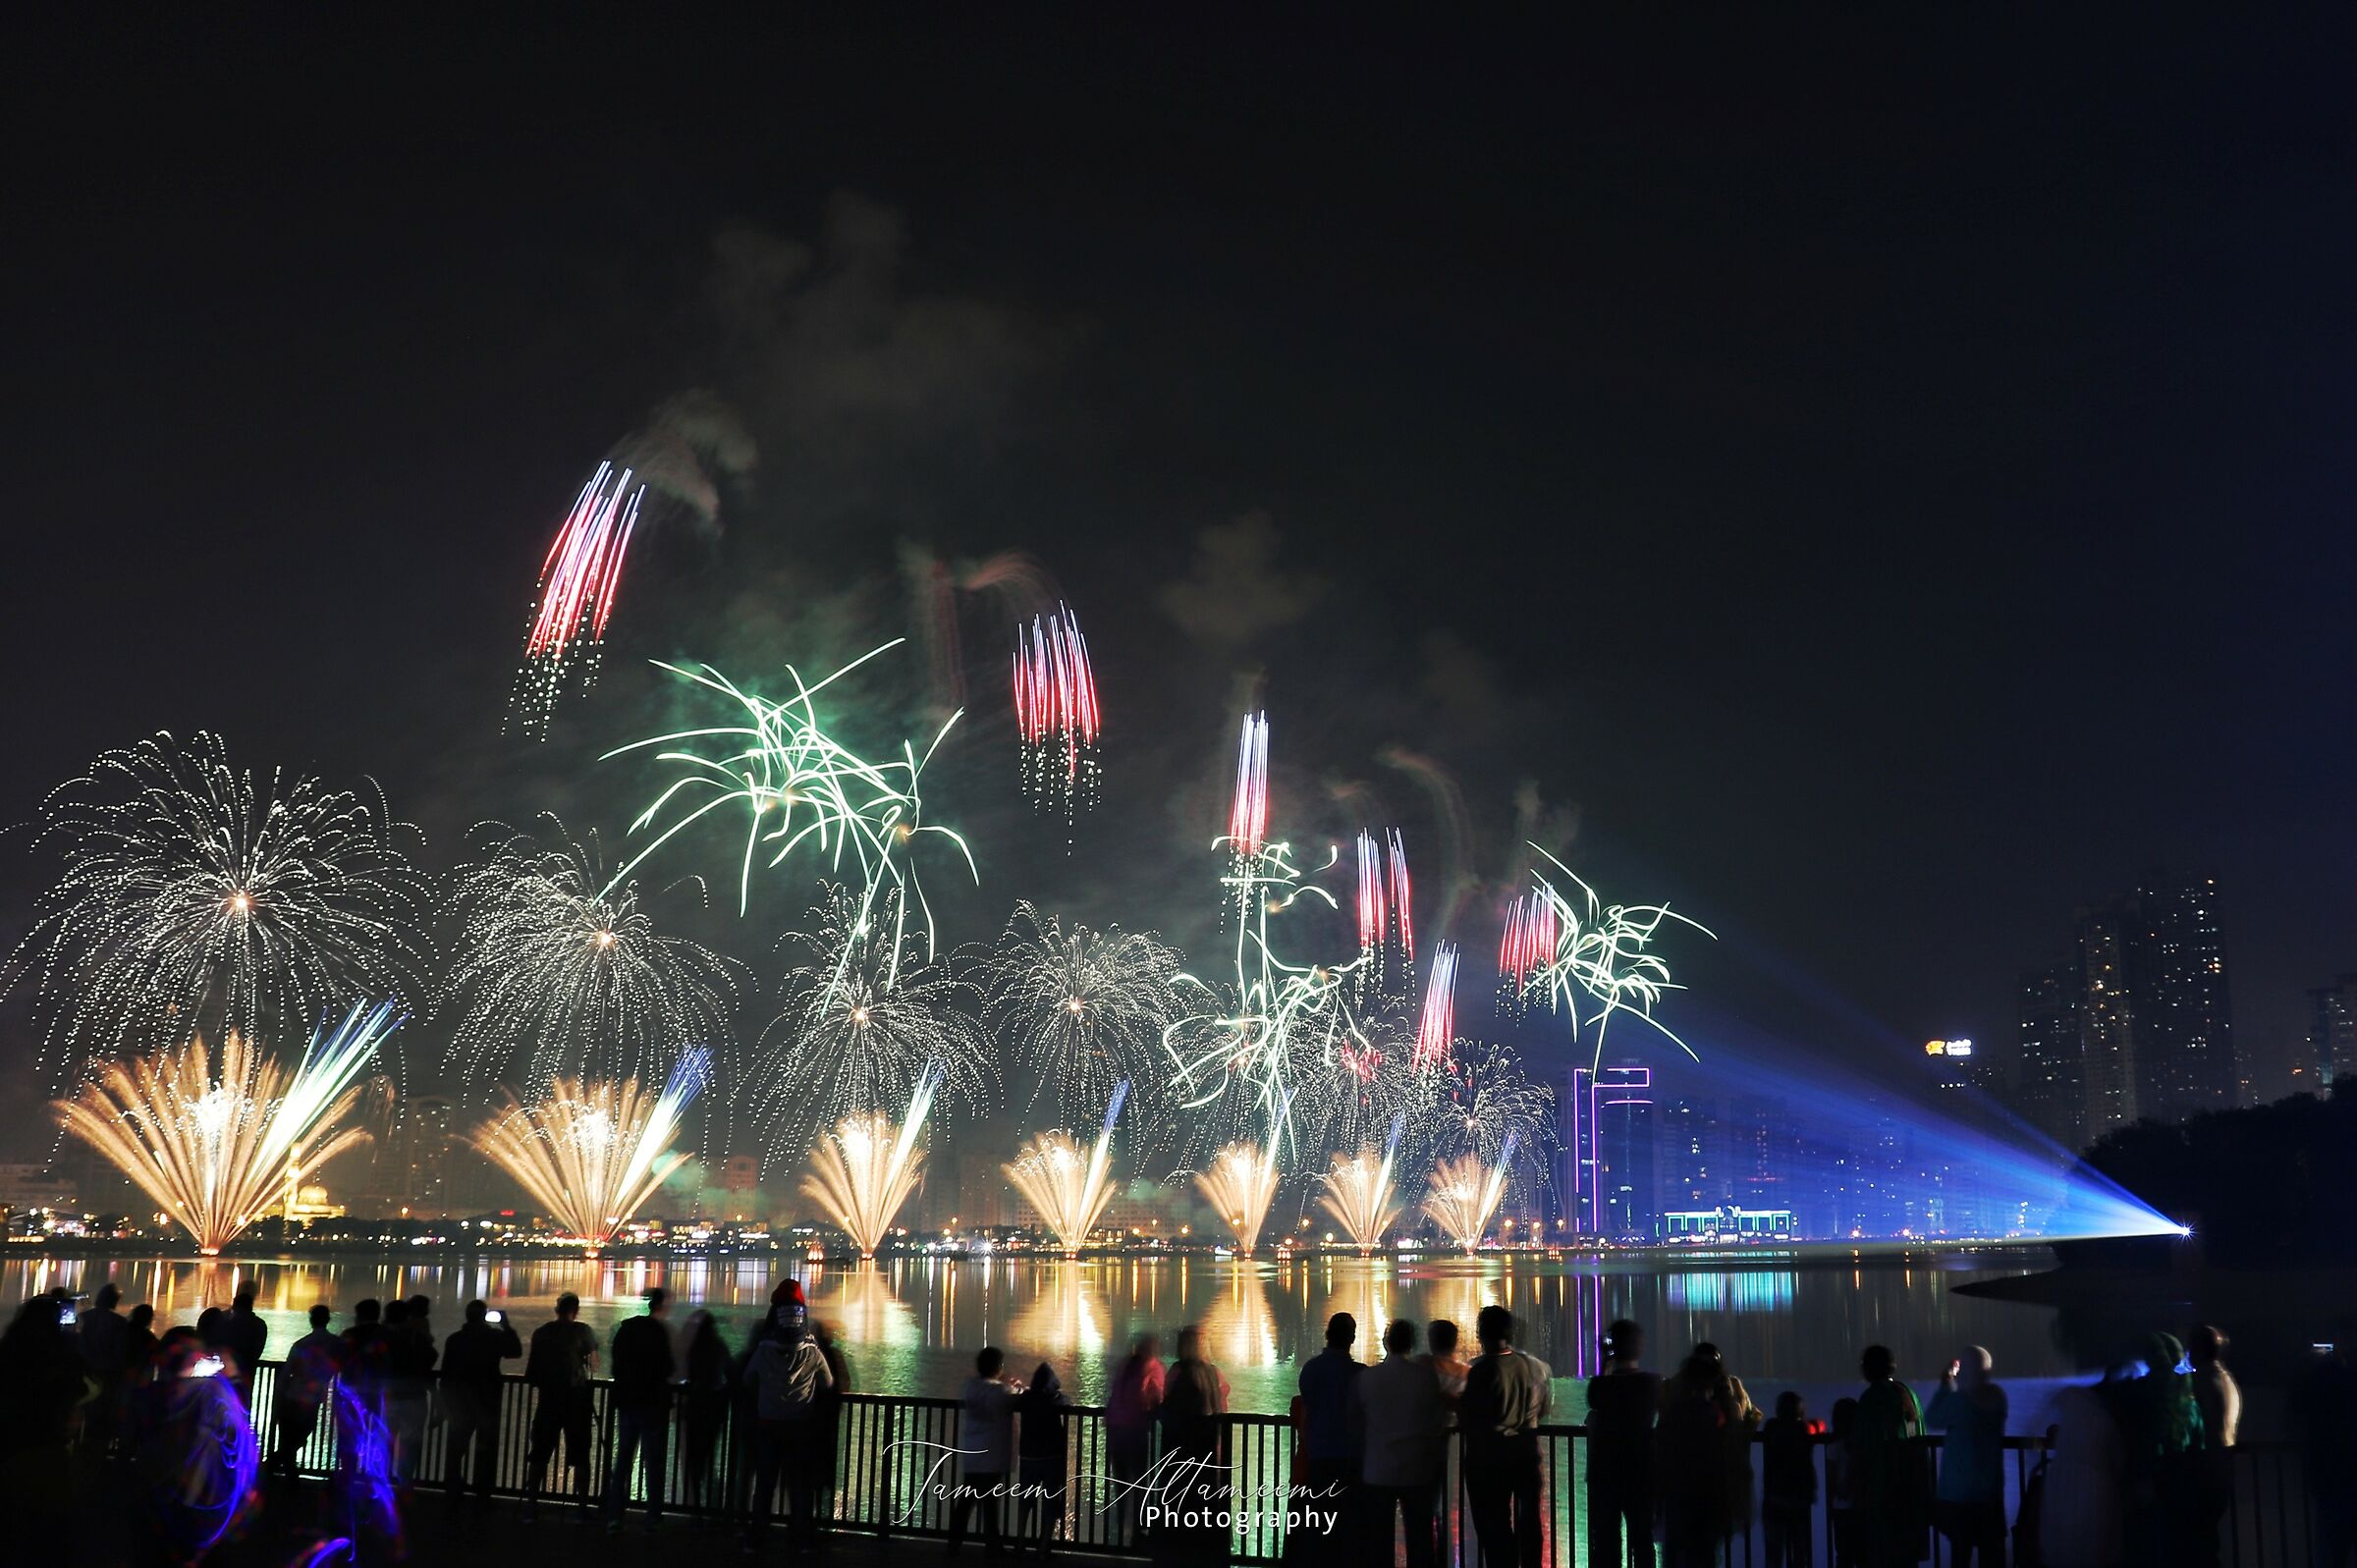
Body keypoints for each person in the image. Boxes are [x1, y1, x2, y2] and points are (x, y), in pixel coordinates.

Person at [1459, 1305, 1552, 1568]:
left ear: (1480, 1333)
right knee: (1530, 1523)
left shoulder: (1480, 1371)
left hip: (1489, 1460)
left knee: (1495, 1528)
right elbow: (1543, 1410)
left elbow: (1469, 1416)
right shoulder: (1537, 1367)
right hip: (1527, 1454)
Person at [741, 1301, 835, 1555]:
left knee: (764, 1486)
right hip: (800, 1427)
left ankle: (755, 1539)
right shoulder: (813, 1353)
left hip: (768, 1426)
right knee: (800, 1486)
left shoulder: (763, 1352)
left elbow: (748, 1379)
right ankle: (802, 1540)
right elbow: (828, 1383)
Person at [1356, 1319, 1445, 1568]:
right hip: (1417, 1469)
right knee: (1420, 1539)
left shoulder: (1367, 1378)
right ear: (1412, 1344)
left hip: (1378, 1469)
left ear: (1386, 1343)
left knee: (1378, 1540)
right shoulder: (1425, 1377)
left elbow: (1356, 1421)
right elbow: (1437, 1420)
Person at [0, 1294, 89, 1535]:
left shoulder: (7, 1352)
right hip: (48, 1447)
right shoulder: (63, 1358)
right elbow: (84, 1389)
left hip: (10, 1445)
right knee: (47, 1527)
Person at [1583, 1318, 1659, 1568]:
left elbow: (1595, 1399)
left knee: (1606, 1543)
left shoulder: (1600, 1386)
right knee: (1643, 1541)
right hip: (1641, 1473)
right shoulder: (1652, 1384)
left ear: (1612, 1347)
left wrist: (1605, 1362)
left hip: (1605, 1475)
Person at [1925, 1347, 2006, 1568]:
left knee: (1960, 1555)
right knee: (1991, 1556)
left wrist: (1946, 1384)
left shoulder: (1960, 1402)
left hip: (1960, 1496)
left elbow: (1932, 1418)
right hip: (1990, 1494)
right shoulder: (1998, 1397)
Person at [1157, 1325, 1232, 1567]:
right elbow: (1223, 1408)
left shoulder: (1177, 1372)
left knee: (1179, 1500)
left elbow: (1166, 1404)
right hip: (1207, 1449)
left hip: (1178, 1449)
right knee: (1206, 1500)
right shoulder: (1214, 1374)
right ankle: (1209, 1549)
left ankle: (1176, 1548)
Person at [522, 1291, 599, 1522]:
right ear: (576, 1310)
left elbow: (532, 1374)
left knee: (539, 1454)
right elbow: (595, 1363)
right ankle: (582, 1507)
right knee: (581, 1454)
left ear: (557, 1310)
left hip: (548, 1401)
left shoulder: (541, 1333)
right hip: (576, 1402)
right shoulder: (583, 1331)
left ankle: (531, 1506)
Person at [606, 1286, 677, 1533]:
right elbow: (668, 1367)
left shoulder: (627, 1329)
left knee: (623, 1460)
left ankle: (614, 1515)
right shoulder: (660, 1332)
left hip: (627, 1401)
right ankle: (653, 1517)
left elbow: (615, 1364)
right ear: (663, 1306)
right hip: (652, 1404)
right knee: (653, 1462)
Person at [1295, 1312, 1365, 1562]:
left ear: (1327, 1335)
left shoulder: (1311, 1369)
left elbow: (1307, 1406)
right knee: (1350, 1526)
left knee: (1321, 1523)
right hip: (1352, 1458)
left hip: (1319, 1456)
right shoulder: (1360, 1374)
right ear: (1352, 1338)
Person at [440, 1299, 521, 1509]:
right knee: (486, 1449)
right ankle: (482, 1493)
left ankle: (453, 1489)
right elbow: (515, 1351)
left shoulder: (455, 1340)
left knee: (456, 1448)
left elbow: (446, 1373)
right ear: (484, 1316)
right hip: (487, 1401)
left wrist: (444, 1402)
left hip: (460, 1403)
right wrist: (506, 1326)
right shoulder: (494, 1337)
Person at [1656, 1349, 1732, 1568]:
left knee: (1674, 1554)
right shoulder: (1716, 1417)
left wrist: (1658, 1500)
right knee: (1704, 1555)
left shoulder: (1673, 1413)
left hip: (1677, 1498)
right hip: (1707, 1500)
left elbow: (1662, 1453)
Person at [1852, 1344, 1927, 1568]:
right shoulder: (1908, 1393)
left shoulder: (1872, 1398)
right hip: (1912, 1487)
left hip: (1884, 1489)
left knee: (1883, 1553)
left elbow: (1864, 1444)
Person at [2290, 1323, 2357, 1568]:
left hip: (2331, 1479)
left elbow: (2296, 1413)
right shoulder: (2342, 1378)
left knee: (2331, 1550)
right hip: (2339, 1476)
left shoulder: (2322, 1378)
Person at [950, 1345, 1021, 1556]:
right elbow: (1016, 1399)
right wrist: (1017, 1387)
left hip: (973, 1453)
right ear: (998, 1367)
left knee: (966, 1501)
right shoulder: (998, 1392)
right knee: (990, 1504)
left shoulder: (970, 1388)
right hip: (992, 1456)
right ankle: (993, 1545)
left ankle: (954, 1542)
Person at [2186, 1325, 2238, 1568]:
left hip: (2203, 1474)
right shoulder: (2227, 1380)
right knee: (2207, 1542)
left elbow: (2193, 1427)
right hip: (2222, 1472)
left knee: (2199, 1546)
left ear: (2197, 1349)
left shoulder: (2200, 1382)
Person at [274, 1304, 345, 1484]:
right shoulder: (336, 1344)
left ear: (311, 1321)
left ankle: (276, 1474)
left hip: (292, 1396)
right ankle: (282, 1476)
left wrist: (278, 1400)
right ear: (328, 1320)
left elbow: (285, 1374)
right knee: (298, 1438)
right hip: (312, 1400)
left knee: (288, 1440)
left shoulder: (301, 1344)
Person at [1106, 1332, 1164, 1545]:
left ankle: (1119, 1532)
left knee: (1121, 1486)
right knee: (1140, 1485)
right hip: (1135, 1429)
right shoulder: (1152, 1367)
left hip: (1115, 1430)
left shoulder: (1125, 1365)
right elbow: (1157, 1397)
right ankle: (1138, 1533)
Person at [679, 1310, 733, 1512]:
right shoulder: (719, 1346)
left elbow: (686, 1374)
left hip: (694, 1409)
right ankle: (713, 1505)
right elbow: (731, 1372)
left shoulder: (694, 1348)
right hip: (714, 1410)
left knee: (694, 1459)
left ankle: (694, 1505)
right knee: (709, 1457)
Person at [1016, 1361, 1072, 1553]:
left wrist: (1022, 1390)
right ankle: (1043, 1547)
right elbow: (1067, 1401)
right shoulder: (1055, 1399)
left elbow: (1015, 1400)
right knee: (1050, 1502)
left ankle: (1020, 1542)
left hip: (1028, 1456)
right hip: (1051, 1457)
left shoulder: (1026, 1398)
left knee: (1025, 1500)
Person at [382, 1295, 438, 1481]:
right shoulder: (415, 1336)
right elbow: (430, 1357)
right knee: (411, 1443)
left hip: (388, 1396)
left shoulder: (381, 1336)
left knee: (386, 1440)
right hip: (414, 1396)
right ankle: (405, 1481)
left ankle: (384, 1481)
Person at [1761, 1391, 1818, 1568]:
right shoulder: (1802, 1430)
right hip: (1798, 1499)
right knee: (1799, 1553)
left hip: (1774, 1498)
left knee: (1774, 1554)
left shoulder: (1771, 1428)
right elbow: (1816, 1428)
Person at [77, 1282, 128, 1456]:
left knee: (85, 1409)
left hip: (85, 1371)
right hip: (108, 1373)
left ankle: (81, 1445)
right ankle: (100, 1449)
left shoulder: (83, 1317)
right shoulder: (119, 1322)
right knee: (104, 1412)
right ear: (114, 1301)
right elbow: (120, 1351)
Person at [811, 1318, 850, 1523]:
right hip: (830, 1418)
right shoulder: (835, 1355)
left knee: (808, 1466)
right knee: (828, 1465)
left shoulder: (810, 1354)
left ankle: (806, 1518)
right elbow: (845, 1382)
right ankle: (824, 1519)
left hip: (808, 1419)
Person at [1825, 1398, 1862, 1568]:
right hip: (1861, 1504)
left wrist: (1831, 1500)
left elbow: (1831, 1477)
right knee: (1862, 1553)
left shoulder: (1834, 1446)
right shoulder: (1861, 1444)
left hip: (1841, 1506)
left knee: (1844, 1554)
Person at [225, 1281, 268, 1408]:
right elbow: (258, 1349)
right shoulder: (259, 1325)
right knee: (243, 1404)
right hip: (248, 1371)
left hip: (225, 1374)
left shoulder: (227, 1322)